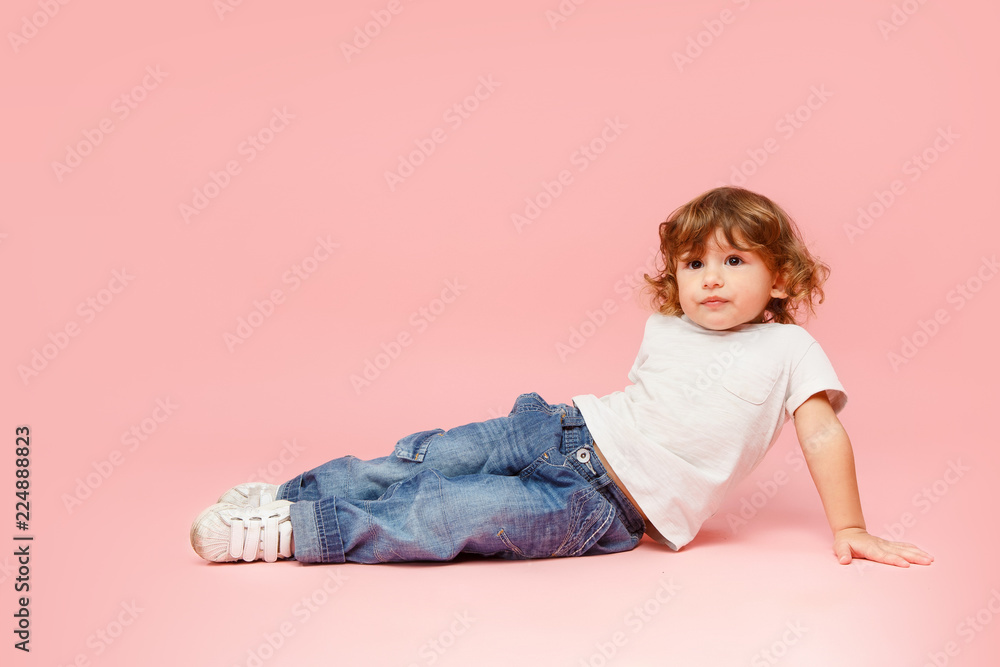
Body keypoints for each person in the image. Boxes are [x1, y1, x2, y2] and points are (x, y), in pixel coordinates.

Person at [190, 186, 934, 568]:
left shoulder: (789, 350)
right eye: (695, 262)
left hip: (603, 507)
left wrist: (849, 526)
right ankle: (290, 494)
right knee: (424, 456)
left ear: (780, 279)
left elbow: (823, 432)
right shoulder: (667, 327)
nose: (711, 278)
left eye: (734, 260)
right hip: (556, 427)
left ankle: (295, 533)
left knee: (451, 516)